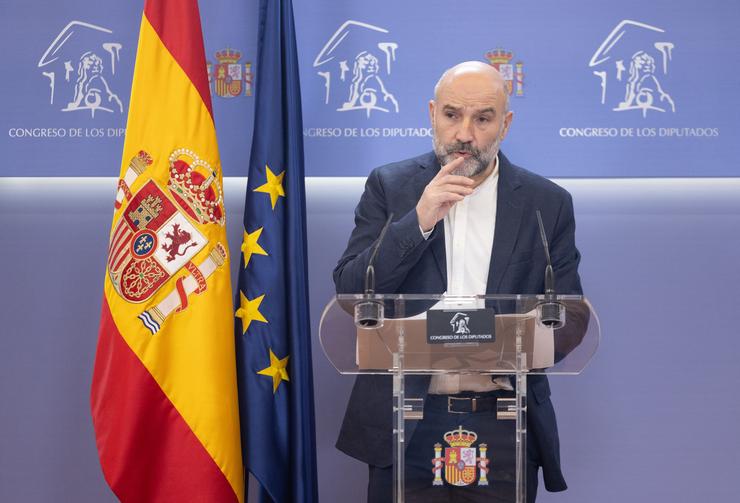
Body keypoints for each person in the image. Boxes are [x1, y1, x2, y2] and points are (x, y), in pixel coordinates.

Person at [333, 61, 583, 502]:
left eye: (482, 118)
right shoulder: (390, 187)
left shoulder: (548, 204)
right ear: (432, 114)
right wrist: (420, 220)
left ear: (504, 124)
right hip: (406, 417)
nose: (464, 133)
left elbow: (570, 316)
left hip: (504, 419)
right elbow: (354, 292)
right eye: (452, 115)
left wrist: (508, 344)